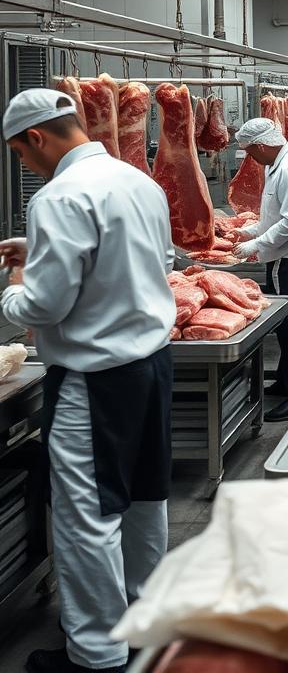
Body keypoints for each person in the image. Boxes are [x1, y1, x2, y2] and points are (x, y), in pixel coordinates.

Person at [0, 89, 175, 673]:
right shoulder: (137, 182)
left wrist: (14, 287)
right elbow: (151, 258)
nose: (27, 167)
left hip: (93, 380)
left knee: (86, 517)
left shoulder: (58, 196)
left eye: (23, 156)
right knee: (145, 500)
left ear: (37, 138)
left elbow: (45, 306)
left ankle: (96, 653)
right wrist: (44, 250)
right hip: (151, 367)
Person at [232, 118, 288, 422]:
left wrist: (256, 244)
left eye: (250, 153)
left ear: (260, 146)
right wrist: (251, 230)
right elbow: (278, 215)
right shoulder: (280, 165)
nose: (251, 160)